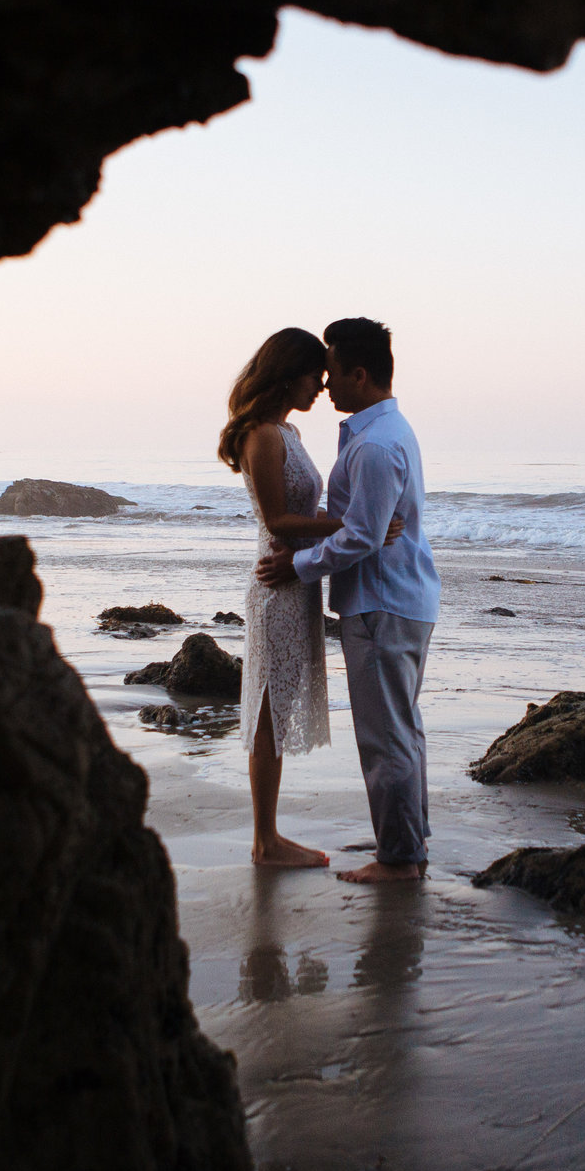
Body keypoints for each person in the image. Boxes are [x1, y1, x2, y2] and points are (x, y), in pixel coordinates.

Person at [257, 318, 440, 885]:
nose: (326, 384)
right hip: (398, 599)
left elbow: (361, 535)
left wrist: (298, 564)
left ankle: (400, 860)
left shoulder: (378, 445)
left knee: (386, 738)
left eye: (333, 373)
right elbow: (363, 528)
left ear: (360, 374)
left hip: (382, 604)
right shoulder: (381, 433)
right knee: (402, 731)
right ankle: (406, 844)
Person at [220, 328, 402, 867]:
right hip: (278, 582)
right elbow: (277, 519)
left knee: (274, 705)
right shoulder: (263, 435)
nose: (322, 386)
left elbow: (302, 515)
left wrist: (348, 525)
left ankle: (267, 837)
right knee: (268, 709)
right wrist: (350, 524)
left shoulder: (287, 431)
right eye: (314, 375)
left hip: (296, 580)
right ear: (286, 374)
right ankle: (264, 841)